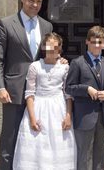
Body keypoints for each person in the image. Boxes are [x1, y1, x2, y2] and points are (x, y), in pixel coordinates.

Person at [0, 0, 53, 170]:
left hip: (40, 93)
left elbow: (47, 56)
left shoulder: (47, 25)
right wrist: (0, 87)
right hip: (14, 92)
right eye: (31, 0)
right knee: (10, 141)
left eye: (39, 1)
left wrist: (60, 61)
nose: (35, 5)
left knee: (35, 141)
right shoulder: (6, 23)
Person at [13, 32, 76, 169]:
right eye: (48, 47)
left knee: (58, 145)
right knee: (37, 146)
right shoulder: (35, 66)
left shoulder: (65, 67)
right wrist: (32, 118)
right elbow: (29, 93)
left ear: (59, 49)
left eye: (55, 47)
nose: (51, 50)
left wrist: (68, 115)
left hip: (58, 108)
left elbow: (68, 94)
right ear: (43, 47)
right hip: (39, 107)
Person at [65, 25, 104, 170]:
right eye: (93, 42)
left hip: (102, 118)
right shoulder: (78, 63)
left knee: (100, 155)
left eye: (100, 42)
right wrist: (86, 89)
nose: (97, 46)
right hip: (84, 117)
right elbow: (69, 87)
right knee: (84, 155)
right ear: (87, 42)